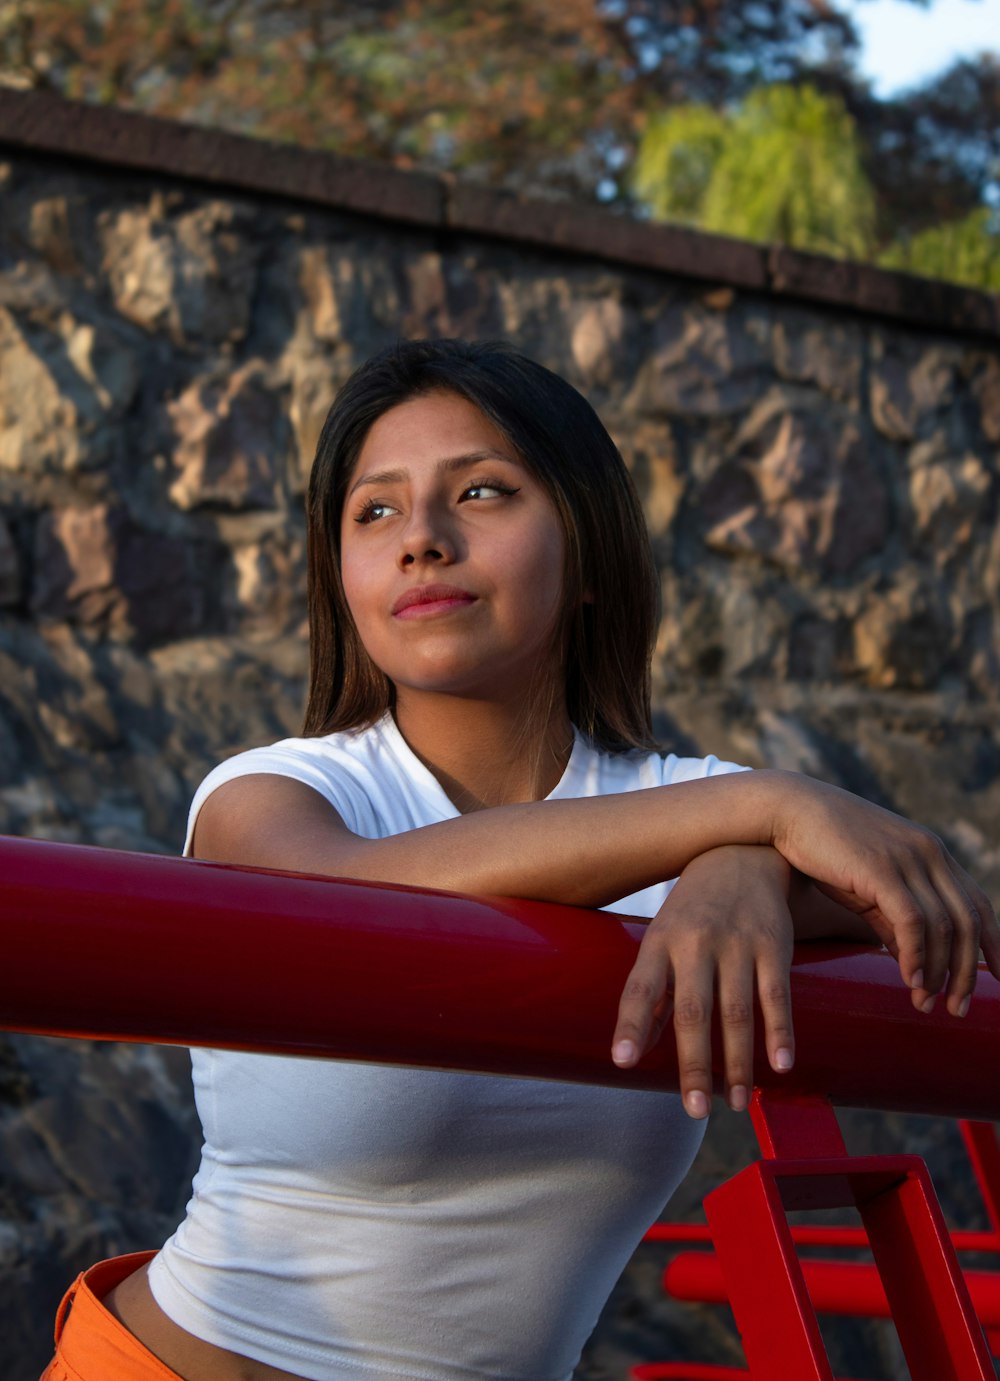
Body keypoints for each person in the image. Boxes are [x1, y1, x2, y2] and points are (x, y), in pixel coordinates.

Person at [43, 338, 999, 1381]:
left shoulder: (697, 814)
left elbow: (955, 920)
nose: (422, 540)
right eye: (375, 511)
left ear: (586, 550)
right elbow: (351, 904)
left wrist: (746, 867)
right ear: (341, 579)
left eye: (481, 492)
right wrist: (759, 809)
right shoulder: (273, 792)